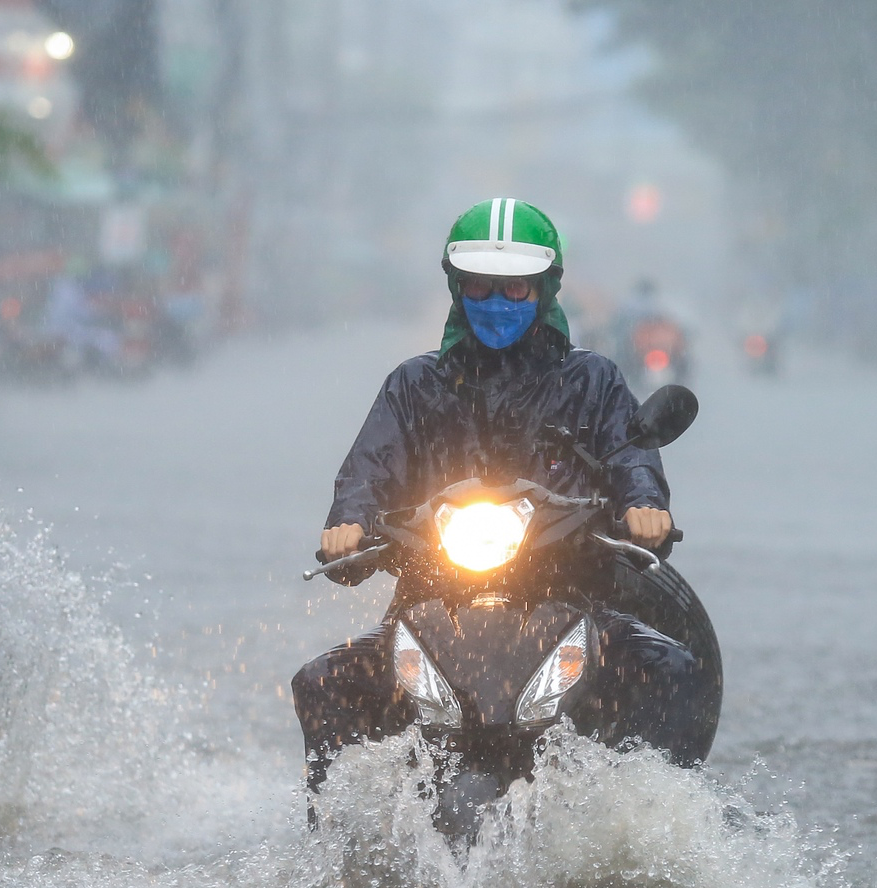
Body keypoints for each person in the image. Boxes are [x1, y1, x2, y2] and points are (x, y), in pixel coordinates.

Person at [292, 197, 697, 791]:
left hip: (570, 592)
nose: (497, 303)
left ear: (545, 290)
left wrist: (644, 506)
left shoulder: (593, 380)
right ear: (458, 288)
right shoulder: (415, 383)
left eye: (516, 290)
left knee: (668, 669)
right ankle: (338, 844)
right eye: (481, 286)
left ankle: (663, 824)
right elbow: (367, 470)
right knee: (323, 682)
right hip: (432, 597)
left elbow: (631, 454)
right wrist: (347, 521)